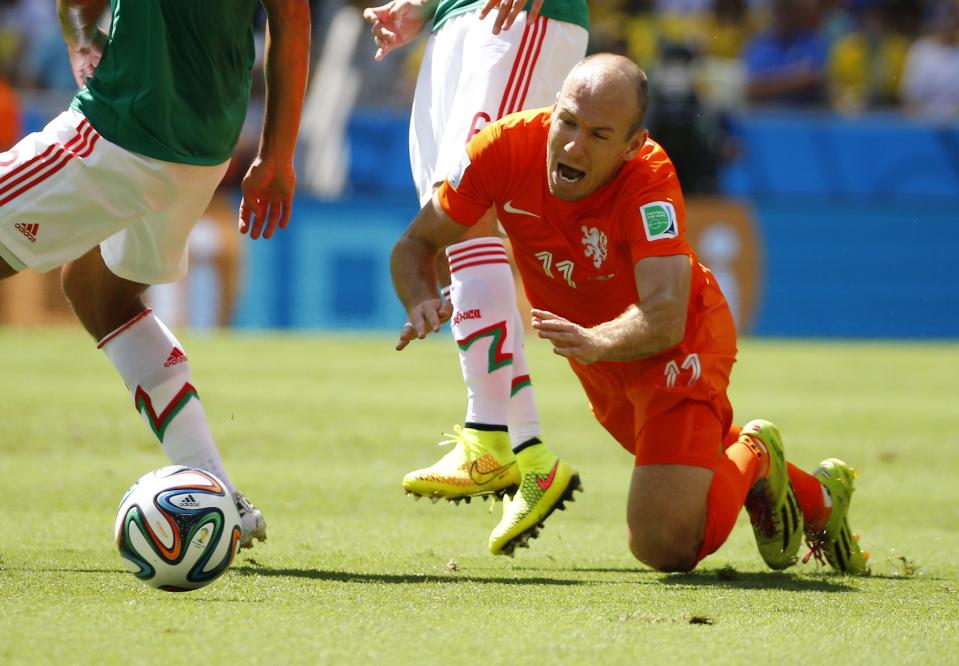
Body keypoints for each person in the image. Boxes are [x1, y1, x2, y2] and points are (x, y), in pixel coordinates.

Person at [390, 53, 869, 574]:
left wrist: (596, 342)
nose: (573, 145)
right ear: (553, 109)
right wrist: (420, 300)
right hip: (600, 355)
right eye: (567, 121)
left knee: (664, 542)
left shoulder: (649, 180)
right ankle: (822, 499)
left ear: (632, 144)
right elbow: (415, 245)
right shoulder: (501, 150)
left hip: (678, 343)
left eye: (599, 134)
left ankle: (755, 452)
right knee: (696, 463)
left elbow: (664, 314)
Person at [0, 0, 311, 549]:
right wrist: (278, 153)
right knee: (101, 293)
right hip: (203, 150)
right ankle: (216, 490)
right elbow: (292, 19)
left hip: (121, 131)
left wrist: (79, 35)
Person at [364, 0, 589, 556]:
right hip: (459, 21)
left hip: (516, 18)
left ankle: (486, 439)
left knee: (471, 198)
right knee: (453, 208)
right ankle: (530, 455)